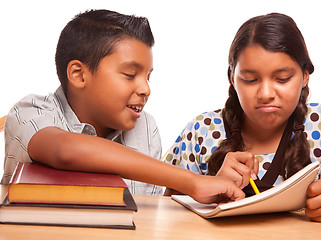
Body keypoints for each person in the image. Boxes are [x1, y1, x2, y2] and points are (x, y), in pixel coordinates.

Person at [1, 9, 245, 204]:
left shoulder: (145, 127)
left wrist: (207, 191)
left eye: (148, 76)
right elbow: (65, 151)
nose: (146, 89)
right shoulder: (30, 111)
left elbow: (149, 211)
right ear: (78, 74)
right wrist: (191, 182)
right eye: (130, 74)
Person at [164, 13, 321, 222]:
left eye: (282, 79)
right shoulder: (201, 131)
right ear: (232, 77)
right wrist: (208, 191)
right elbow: (165, 211)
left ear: (305, 75)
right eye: (250, 80)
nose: (266, 93)